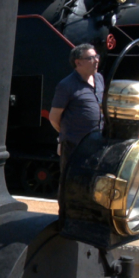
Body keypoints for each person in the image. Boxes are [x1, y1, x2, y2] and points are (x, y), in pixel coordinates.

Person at [49, 43, 105, 178]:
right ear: (78, 62)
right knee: (72, 183)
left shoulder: (99, 78)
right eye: (91, 58)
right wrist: (67, 134)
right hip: (75, 146)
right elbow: (54, 117)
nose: (97, 60)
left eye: (97, 56)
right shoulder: (66, 85)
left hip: (98, 143)